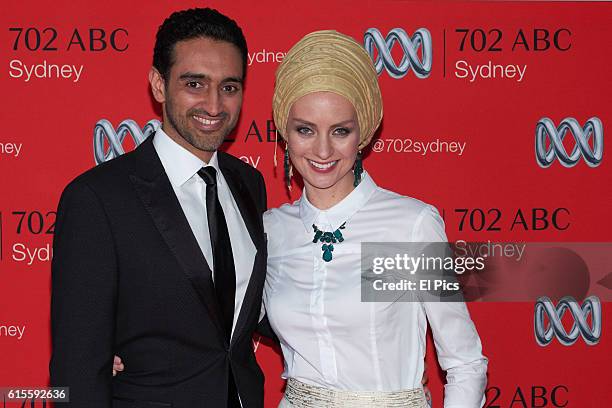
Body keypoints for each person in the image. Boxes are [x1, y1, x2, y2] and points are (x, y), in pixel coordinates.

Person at [50, 8, 268, 408]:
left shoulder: (248, 184)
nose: (214, 104)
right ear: (158, 84)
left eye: (230, 87)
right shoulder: (97, 199)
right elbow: (76, 369)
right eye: (194, 83)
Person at [262, 31, 488, 407]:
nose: (321, 150)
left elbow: (465, 361)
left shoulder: (408, 225)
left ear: (363, 134)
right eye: (305, 129)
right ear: (285, 133)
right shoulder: (272, 230)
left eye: (340, 131)